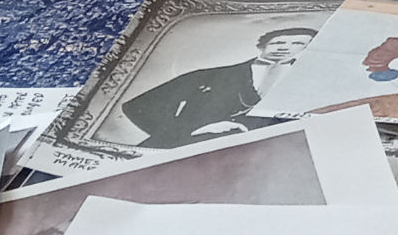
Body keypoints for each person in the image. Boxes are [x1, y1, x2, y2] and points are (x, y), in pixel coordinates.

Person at [118, 24, 318, 150]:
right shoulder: (208, 75)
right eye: (278, 42)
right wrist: (187, 131)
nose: (284, 47)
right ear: (262, 46)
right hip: (179, 150)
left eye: (297, 43)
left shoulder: (311, 82)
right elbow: (139, 106)